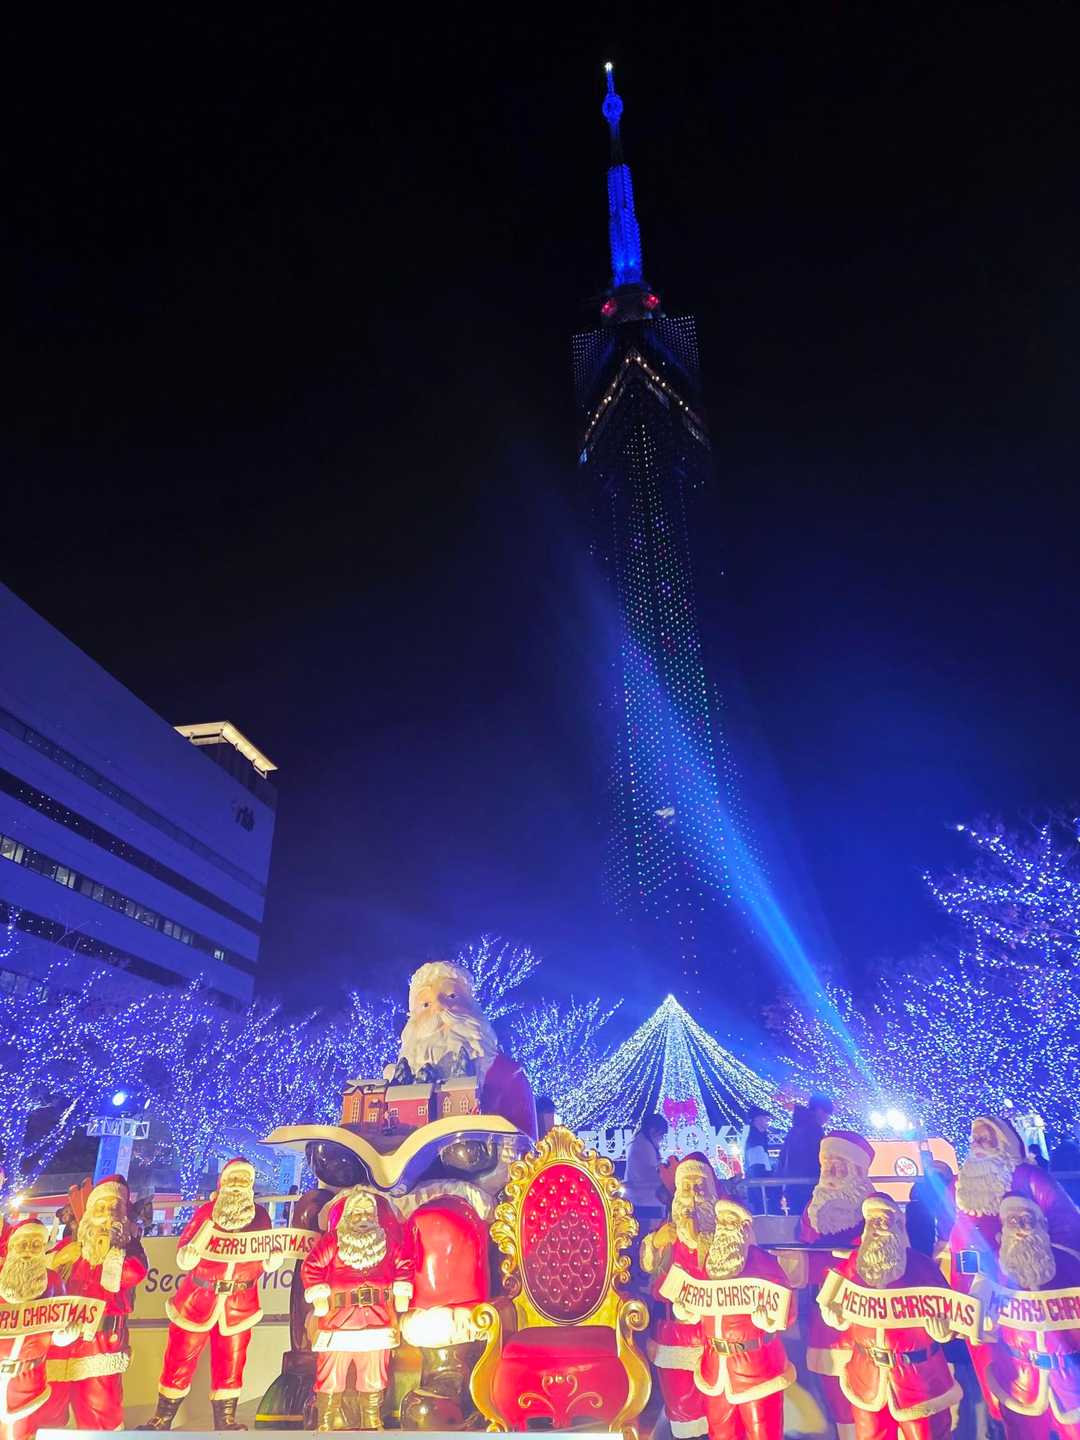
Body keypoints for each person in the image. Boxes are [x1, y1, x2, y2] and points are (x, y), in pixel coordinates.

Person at [140, 1157, 283, 1432]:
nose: (238, 1185)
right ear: (223, 1183)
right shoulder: (206, 1213)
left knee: (232, 1361)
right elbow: (185, 1252)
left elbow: (263, 1252)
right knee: (179, 1357)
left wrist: (270, 1261)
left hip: (239, 1304)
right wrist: (192, 1250)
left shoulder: (261, 1218)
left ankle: (225, 1420)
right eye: (234, 1179)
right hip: (199, 1299)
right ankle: (163, 1417)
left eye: (244, 1180)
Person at [819, 1194, 962, 1440]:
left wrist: (945, 1329)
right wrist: (834, 1316)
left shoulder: (922, 1267)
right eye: (873, 1221)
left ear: (897, 1225)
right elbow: (830, 1301)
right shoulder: (852, 1266)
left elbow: (951, 1310)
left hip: (919, 1378)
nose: (878, 1227)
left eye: (884, 1220)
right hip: (867, 1374)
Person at [301, 1186, 415, 1432]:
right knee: (330, 1374)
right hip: (338, 1322)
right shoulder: (334, 1241)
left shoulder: (386, 1242)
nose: (363, 1218)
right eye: (358, 1213)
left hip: (377, 1321)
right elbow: (311, 1266)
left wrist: (401, 1290)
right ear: (348, 1216)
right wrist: (319, 1295)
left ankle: (371, 1423)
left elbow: (404, 1263)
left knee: (374, 1375)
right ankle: (326, 1423)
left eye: (368, 1213)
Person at [40, 1174, 148, 1433]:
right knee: (47, 1413)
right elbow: (41, 1281)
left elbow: (127, 1276)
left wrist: (114, 1250)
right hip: (59, 1344)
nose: (108, 1212)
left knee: (100, 1415)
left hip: (100, 1345)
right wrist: (55, 1259)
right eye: (101, 1207)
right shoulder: (67, 1249)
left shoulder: (130, 1252)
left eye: (115, 1207)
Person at [395, 961, 537, 1138]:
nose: (439, 1006)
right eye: (425, 1005)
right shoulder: (396, 1080)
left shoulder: (508, 1074)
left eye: (451, 996)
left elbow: (524, 1138)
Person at [693, 1198, 795, 1440]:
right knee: (720, 1433)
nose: (724, 1226)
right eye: (721, 1221)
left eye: (731, 1221)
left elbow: (787, 1308)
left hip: (755, 1368)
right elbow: (698, 1296)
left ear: (745, 1227)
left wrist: (769, 1321)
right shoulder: (711, 1262)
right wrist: (690, 1311)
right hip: (715, 1367)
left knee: (763, 1432)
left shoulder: (764, 1264)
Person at [799, 1131, 876, 1440]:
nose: (830, 1171)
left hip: (862, 1306)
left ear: (856, 1170)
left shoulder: (871, 1206)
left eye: (838, 1165)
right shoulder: (814, 1205)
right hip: (824, 1304)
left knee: (867, 1380)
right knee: (832, 1379)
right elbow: (805, 1239)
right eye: (826, 1164)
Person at [985, 1192, 1080, 1440]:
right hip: (1019, 1379)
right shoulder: (992, 1269)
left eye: (1027, 1219)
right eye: (1012, 1221)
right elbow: (979, 1322)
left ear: (1042, 1224)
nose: (1021, 1228)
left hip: (1070, 1380)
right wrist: (981, 1325)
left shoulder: (1072, 1263)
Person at [641, 1156, 723, 1440]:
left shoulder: (723, 1231)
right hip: (673, 1334)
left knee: (718, 1408)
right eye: (686, 1186)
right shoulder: (667, 1230)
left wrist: (703, 1241)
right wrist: (656, 1242)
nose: (693, 1194)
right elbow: (647, 1265)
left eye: (700, 1186)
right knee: (682, 1409)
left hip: (712, 1332)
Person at [0, 1219, 72, 1440]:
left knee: (21, 1433)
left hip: (27, 1380)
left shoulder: (53, 1282)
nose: (28, 1251)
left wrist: (63, 1336)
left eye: (35, 1245)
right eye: (23, 1244)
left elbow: (59, 1324)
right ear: (12, 1246)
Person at [778, 1093, 833, 1214]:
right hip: (808, 1187)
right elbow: (816, 1158)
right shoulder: (812, 1130)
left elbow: (783, 1158)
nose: (827, 1118)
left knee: (799, 1218)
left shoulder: (797, 1128)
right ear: (818, 1110)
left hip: (795, 1186)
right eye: (826, 1113)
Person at [624, 1114, 669, 1228]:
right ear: (653, 1130)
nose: (661, 1139)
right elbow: (649, 1174)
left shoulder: (641, 1143)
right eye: (661, 1135)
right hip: (645, 1202)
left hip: (643, 1200)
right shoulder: (643, 1146)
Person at [742, 1109, 779, 1216]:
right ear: (757, 1119)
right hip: (760, 1189)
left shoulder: (758, 1137)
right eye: (766, 1119)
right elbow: (758, 1167)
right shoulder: (755, 1140)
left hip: (759, 1188)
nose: (768, 1122)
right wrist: (769, 1183)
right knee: (764, 1214)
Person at [1050, 1119, 1080, 1205]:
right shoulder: (1074, 1148)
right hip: (1075, 1177)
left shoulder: (1057, 1150)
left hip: (1061, 1178)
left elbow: (1053, 1165)